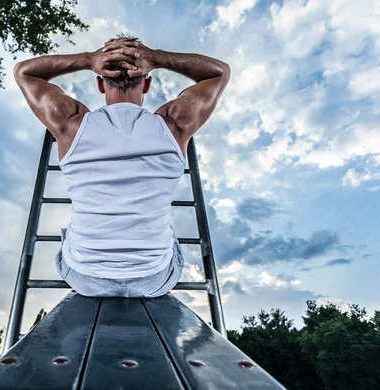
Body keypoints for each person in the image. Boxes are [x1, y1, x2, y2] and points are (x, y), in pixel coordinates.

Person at [13, 34, 230, 298]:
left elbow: (23, 72)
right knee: (169, 239)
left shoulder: (70, 124)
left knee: (70, 238)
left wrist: (89, 59)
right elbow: (219, 73)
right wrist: (156, 57)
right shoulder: (174, 124)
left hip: (85, 276)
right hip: (152, 278)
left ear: (100, 84)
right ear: (147, 83)